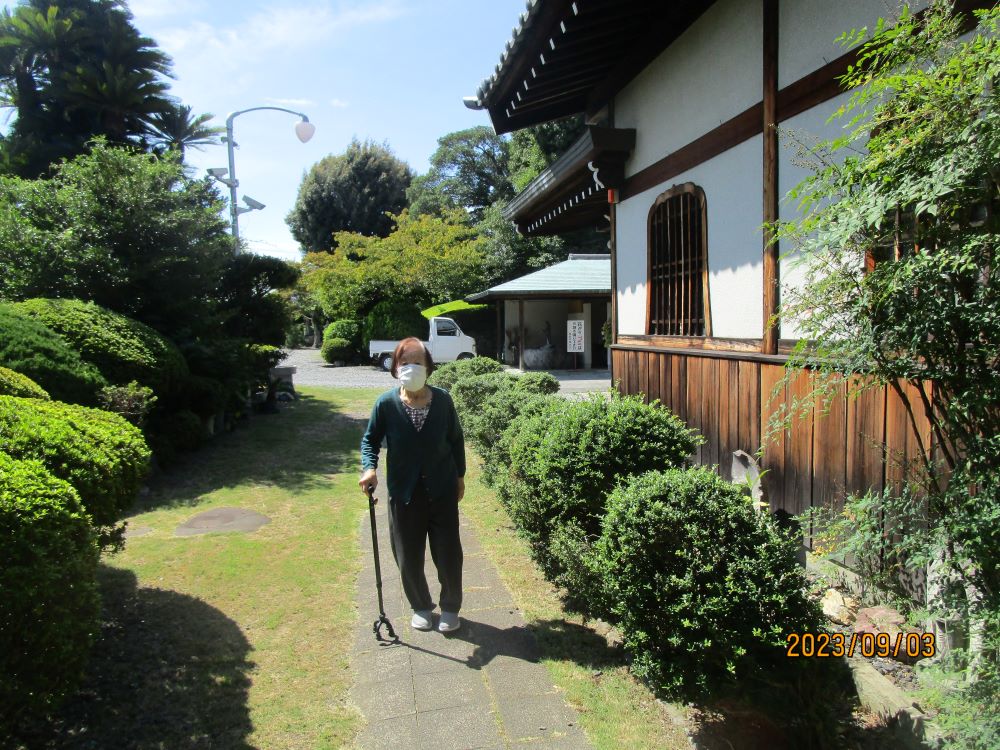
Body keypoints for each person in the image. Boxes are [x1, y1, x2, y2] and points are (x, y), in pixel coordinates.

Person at [359, 337, 466, 633]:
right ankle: (420, 605)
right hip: (404, 492)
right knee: (407, 553)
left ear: (429, 367)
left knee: (448, 553)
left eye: (418, 362)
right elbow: (370, 440)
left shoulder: (443, 400)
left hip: (442, 488)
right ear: (395, 367)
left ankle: (450, 607)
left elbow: (456, 439)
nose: (411, 367)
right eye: (404, 362)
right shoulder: (386, 404)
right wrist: (369, 469)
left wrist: (460, 476)